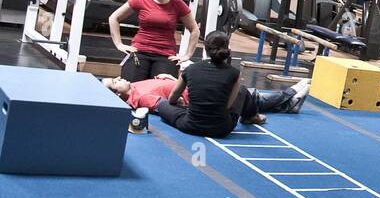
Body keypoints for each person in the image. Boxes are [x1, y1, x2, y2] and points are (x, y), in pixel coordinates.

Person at [151, 30, 309, 138]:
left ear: (205, 49)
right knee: (242, 90)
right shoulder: (234, 73)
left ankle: (264, 110)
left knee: (163, 104)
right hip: (221, 129)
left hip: (190, 125)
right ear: (227, 49)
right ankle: (252, 116)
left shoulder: (190, 69)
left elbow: (172, 99)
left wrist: (178, 103)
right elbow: (228, 105)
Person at [107, 0, 202, 83]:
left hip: (166, 55)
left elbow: (194, 29)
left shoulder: (178, 4)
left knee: (161, 90)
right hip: (140, 51)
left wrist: (187, 55)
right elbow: (114, 18)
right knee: (130, 88)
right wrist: (119, 44)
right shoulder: (140, 0)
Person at [102, 72, 309, 120]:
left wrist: (166, 78)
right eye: (115, 82)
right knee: (250, 96)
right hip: (197, 95)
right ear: (118, 94)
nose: (119, 77)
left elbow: (161, 87)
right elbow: (165, 105)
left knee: (249, 96)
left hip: (189, 88)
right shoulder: (140, 99)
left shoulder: (135, 86)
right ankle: (288, 95)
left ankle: (288, 104)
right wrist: (181, 105)